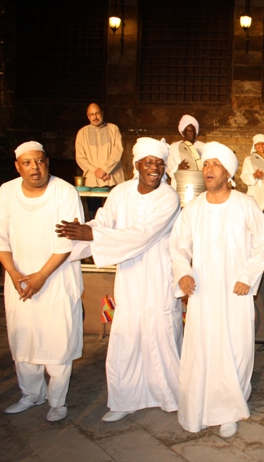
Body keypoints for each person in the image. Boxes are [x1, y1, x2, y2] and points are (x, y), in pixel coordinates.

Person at [57, 137, 183, 423]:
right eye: (148, 162)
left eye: (159, 163)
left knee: (161, 331)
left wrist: (94, 235)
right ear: (136, 164)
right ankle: (126, 399)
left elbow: (144, 234)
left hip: (158, 272)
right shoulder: (120, 192)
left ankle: (170, 395)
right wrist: (84, 230)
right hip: (129, 274)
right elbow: (103, 222)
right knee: (127, 334)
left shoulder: (168, 197)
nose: (154, 168)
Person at [170, 141, 264, 437]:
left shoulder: (244, 204)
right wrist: (183, 273)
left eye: (215, 164)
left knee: (235, 346)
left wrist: (248, 275)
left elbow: (263, 241)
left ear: (228, 173)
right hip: (202, 292)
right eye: (206, 164)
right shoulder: (194, 208)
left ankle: (229, 409)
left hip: (235, 291)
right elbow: (178, 246)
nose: (209, 169)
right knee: (201, 348)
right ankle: (199, 407)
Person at [0, 141, 84, 422]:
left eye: (39, 161)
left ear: (47, 162)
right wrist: (14, 274)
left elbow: (67, 240)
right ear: (18, 167)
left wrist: (41, 276)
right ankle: (31, 394)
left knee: (58, 339)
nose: (35, 168)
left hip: (57, 278)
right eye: (27, 163)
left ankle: (57, 401)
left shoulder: (64, 191)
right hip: (20, 280)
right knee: (24, 338)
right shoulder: (7, 193)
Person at [75, 103, 125, 218]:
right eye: (92, 114)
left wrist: (105, 170)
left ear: (102, 113)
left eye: (97, 113)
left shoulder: (113, 129)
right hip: (92, 180)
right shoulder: (82, 133)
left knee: (114, 214)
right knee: (94, 215)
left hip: (112, 178)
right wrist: (97, 171)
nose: (95, 117)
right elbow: (80, 158)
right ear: (88, 116)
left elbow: (118, 151)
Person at [167, 114, 205, 189]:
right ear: (183, 132)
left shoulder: (203, 146)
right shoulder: (173, 147)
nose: (192, 133)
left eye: (194, 131)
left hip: (198, 184)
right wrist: (178, 167)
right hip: (179, 185)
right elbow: (169, 167)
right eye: (189, 131)